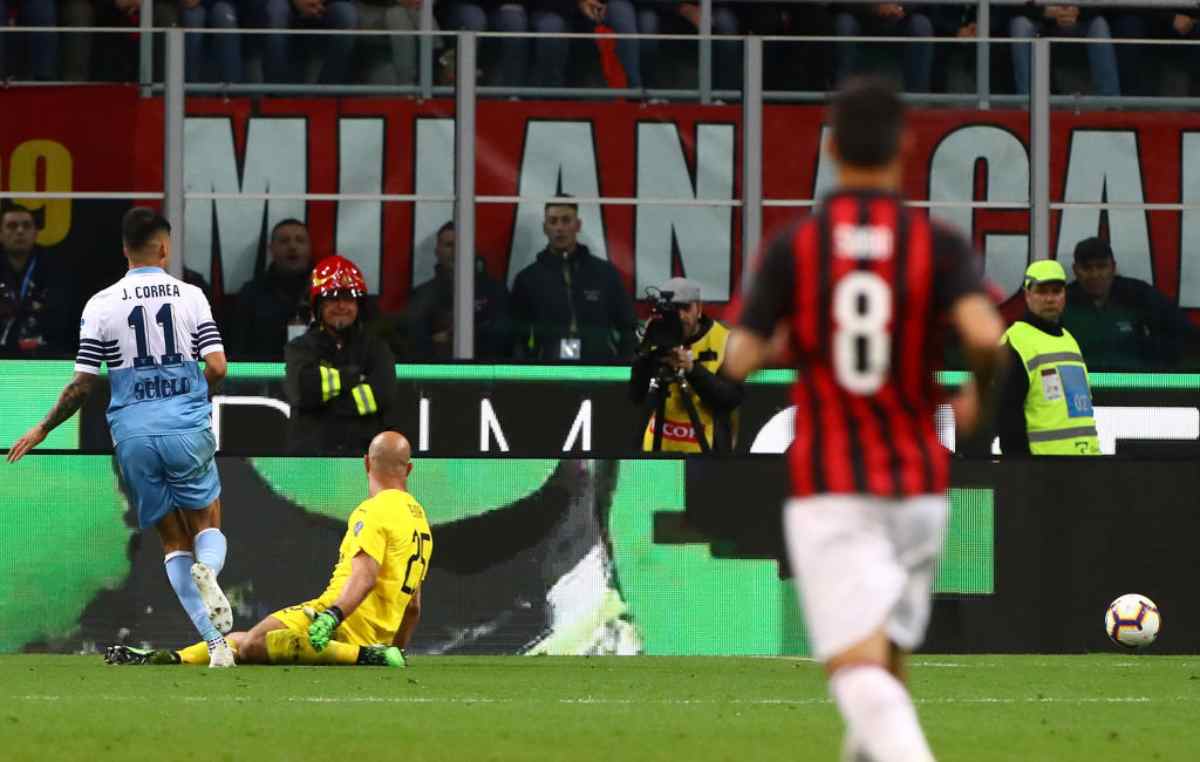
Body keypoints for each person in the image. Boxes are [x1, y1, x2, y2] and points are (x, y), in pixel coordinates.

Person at [721, 78, 1008, 762]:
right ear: (905, 146)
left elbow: (738, 358)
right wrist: (974, 392)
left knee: (855, 671)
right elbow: (985, 334)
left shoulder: (798, 246)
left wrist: (790, 340)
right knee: (887, 668)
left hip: (835, 485)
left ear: (830, 149)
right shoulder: (935, 243)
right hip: (919, 484)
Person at [5, 207, 237, 668]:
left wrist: (42, 427)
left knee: (172, 541)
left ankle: (216, 646)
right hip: (184, 426)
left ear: (125, 250)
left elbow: (82, 385)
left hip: (132, 435)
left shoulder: (101, 304)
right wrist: (189, 395)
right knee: (206, 522)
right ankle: (209, 571)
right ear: (164, 247)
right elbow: (217, 366)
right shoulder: (190, 296)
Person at [104, 431, 432, 667]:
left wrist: (332, 617)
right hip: (375, 634)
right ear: (409, 469)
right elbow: (413, 606)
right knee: (247, 639)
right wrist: (397, 649)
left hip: (340, 622)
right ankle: (175, 658)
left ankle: (364, 657)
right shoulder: (419, 522)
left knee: (256, 643)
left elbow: (364, 576)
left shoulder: (373, 511)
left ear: (366, 463)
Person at [284, 254, 401, 454]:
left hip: (362, 458)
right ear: (318, 305)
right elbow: (302, 391)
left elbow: (382, 395)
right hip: (310, 459)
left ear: (358, 306)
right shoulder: (299, 348)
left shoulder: (377, 349)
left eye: (348, 298)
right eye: (332, 299)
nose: (341, 306)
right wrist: (351, 378)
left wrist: (324, 402)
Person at [510, 197, 637, 362]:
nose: (559, 228)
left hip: (599, 369)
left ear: (577, 225)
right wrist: (530, 366)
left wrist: (622, 363)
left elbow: (628, 326)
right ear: (545, 228)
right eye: (553, 221)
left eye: (566, 220)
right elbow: (516, 335)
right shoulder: (528, 279)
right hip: (548, 370)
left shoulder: (604, 273)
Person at [997, 259, 1101, 456]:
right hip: (1042, 468)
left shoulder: (1069, 340)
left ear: (1064, 295)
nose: (1050, 299)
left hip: (1086, 462)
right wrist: (1020, 468)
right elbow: (1007, 417)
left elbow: (1082, 414)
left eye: (1056, 291)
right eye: (1042, 291)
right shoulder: (1015, 342)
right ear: (1027, 295)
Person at [629, 276, 744, 452]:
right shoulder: (655, 338)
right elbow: (636, 395)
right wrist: (646, 352)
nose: (680, 316)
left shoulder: (725, 341)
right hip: (657, 453)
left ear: (699, 308)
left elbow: (730, 399)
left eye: (685, 308)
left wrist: (691, 368)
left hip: (705, 456)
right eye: (674, 309)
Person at [1062, 236, 1193, 370]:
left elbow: (1182, 332)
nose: (1095, 275)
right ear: (1075, 270)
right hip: (1079, 381)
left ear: (1113, 268)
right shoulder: (1061, 301)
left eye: (1101, 266)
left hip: (1133, 380)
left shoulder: (1137, 294)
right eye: (1086, 268)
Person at [407, 221, 510, 360]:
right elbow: (412, 344)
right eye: (449, 245)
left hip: (485, 369)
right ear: (437, 251)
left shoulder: (495, 290)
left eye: (461, 245)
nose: (455, 251)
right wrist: (433, 343)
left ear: (472, 250)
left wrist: (470, 335)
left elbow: (505, 337)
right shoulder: (422, 294)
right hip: (437, 371)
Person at [230, 218, 314, 360]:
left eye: (300, 240)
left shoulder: (326, 293)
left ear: (310, 248)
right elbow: (237, 351)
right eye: (284, 241)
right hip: (263, 372)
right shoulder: (251, 294)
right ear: (271, 249)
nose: (292, 247)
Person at [0, 205, 71, 357]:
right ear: (1, 233)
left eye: (26, 226)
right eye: (12, 226)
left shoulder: (55, 269)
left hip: (43, 357)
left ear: (35, 233)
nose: (20, 231)